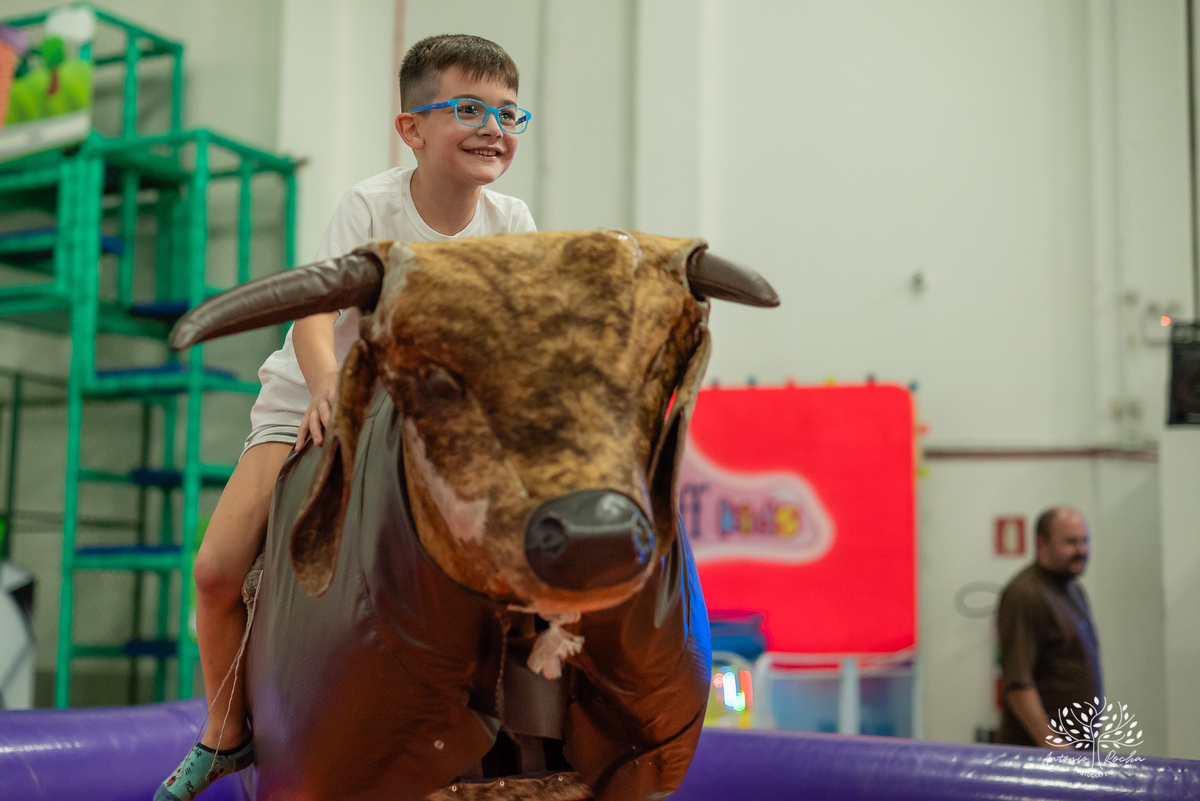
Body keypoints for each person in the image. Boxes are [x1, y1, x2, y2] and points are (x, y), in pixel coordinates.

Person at [156, 34, 536, 801]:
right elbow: (310, 313)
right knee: (217, 569)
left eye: (508, 112)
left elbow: (515, 336)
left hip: (428, 414)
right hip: (315, 397)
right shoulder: (374, 205)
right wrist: (329, 387)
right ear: (412, 129)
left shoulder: (511, 219)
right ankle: (225, 733)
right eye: (468, 108)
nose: (493, 126)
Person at [995, 506, 1103, 747]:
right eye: (1071, 542)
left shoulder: (1073, 590)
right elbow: (1018, 685)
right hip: (1039, 759)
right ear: (1042, 543)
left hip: (1075, 752)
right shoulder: (1025, 594)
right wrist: (1055, 747)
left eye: (1085, 541)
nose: (1081, 550)